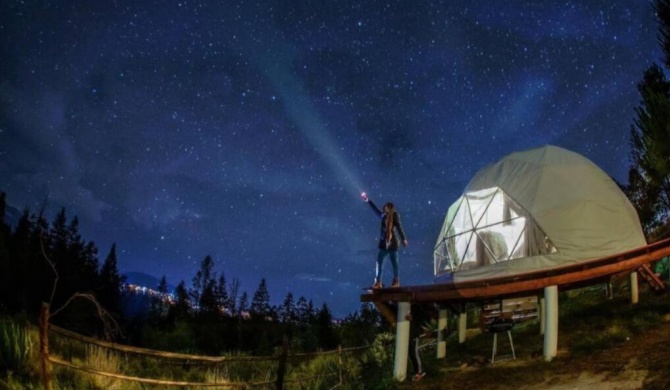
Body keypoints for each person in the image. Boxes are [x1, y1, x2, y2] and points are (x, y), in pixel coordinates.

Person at [361, 192, 408, 288]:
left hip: (393, 243)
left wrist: (404, 239)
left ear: (390, 207)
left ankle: (396, 281)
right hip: (384, 244)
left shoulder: (394, 215)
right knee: (379, 262)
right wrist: (368, 200)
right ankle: (378, 282)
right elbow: (375, 210)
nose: (384, 208)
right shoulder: (383, 216)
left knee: (394, 262)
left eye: (386, 207)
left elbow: (399, 226)